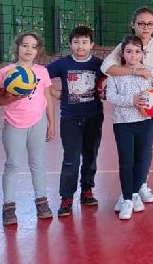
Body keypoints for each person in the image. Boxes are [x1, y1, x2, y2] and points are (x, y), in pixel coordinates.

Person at [101, 7, 153, 209]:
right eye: (141, 23)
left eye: (150, 23)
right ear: (133, 24)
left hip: (151, 106)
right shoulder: (124, 46)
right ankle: (129, 194)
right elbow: (107, 68)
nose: (145, 27)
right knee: (128, 156)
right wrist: (136, 70)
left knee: (146, 150)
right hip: (126, 113)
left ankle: (140, 185)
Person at [106, 35, 153, 220]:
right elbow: (110, 96)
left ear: (142, 54)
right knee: (126, 161)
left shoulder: (150, 71)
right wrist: (132, 100)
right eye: (129, 51)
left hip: (147, 122)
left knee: (141, 159)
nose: (133, 55)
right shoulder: (115, 74)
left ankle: (134, 194)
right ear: (122, 53)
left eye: (137, 52)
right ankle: (127, 198)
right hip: (123, 123)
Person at [0, 33, 55, 225]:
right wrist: (12, 98)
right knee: (12, 164)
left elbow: (47, 99)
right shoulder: (7, 72)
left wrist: (51, 122)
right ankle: (9, 206)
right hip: (13, 122)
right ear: (17, 48)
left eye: (33, 46)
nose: (29, 50)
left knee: (37, 163)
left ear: (38, 51)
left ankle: (42, 202)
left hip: (38, 122)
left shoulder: (42, 72)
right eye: (25, 45)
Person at [47, 26, 104, 217]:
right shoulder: (63, 63)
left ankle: (87, 189)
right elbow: (41, 77)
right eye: (76, 42)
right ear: (70, 44)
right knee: (71, 160)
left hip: (93, 117)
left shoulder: (99, 64)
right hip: (70, 118)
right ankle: (67, 197)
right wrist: (55, 93)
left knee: (90, 156)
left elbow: (110, 82)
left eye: (85, 42)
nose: (80, 46)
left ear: (92, 44)